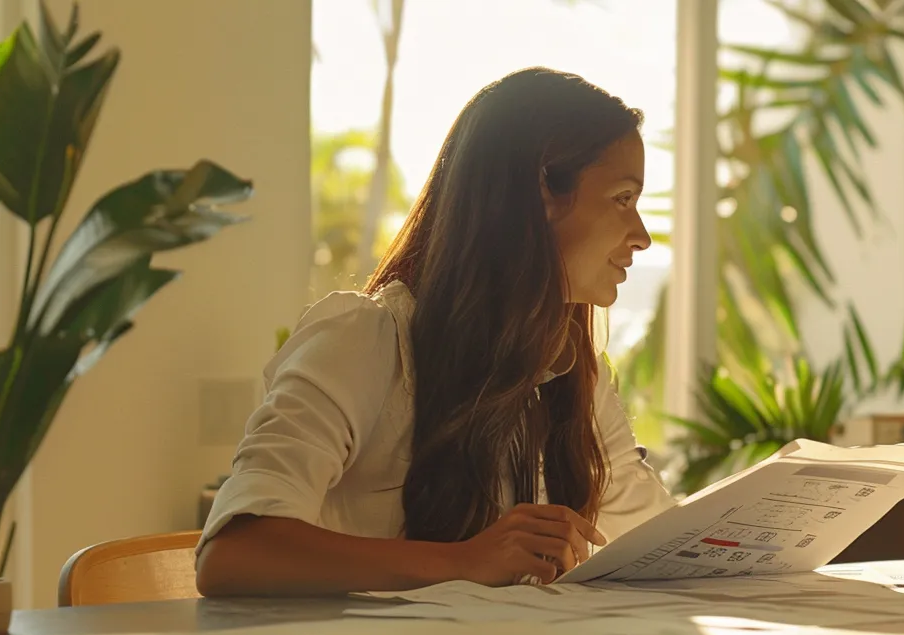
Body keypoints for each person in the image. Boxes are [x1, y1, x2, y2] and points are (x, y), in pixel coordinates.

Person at [195, 68, 675, 596]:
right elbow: (233, 553)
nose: (643, 237)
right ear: (542, 189)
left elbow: (659, 538)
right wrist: (464, 562)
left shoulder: (568, 368)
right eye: (623, 199)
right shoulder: (366, 340)